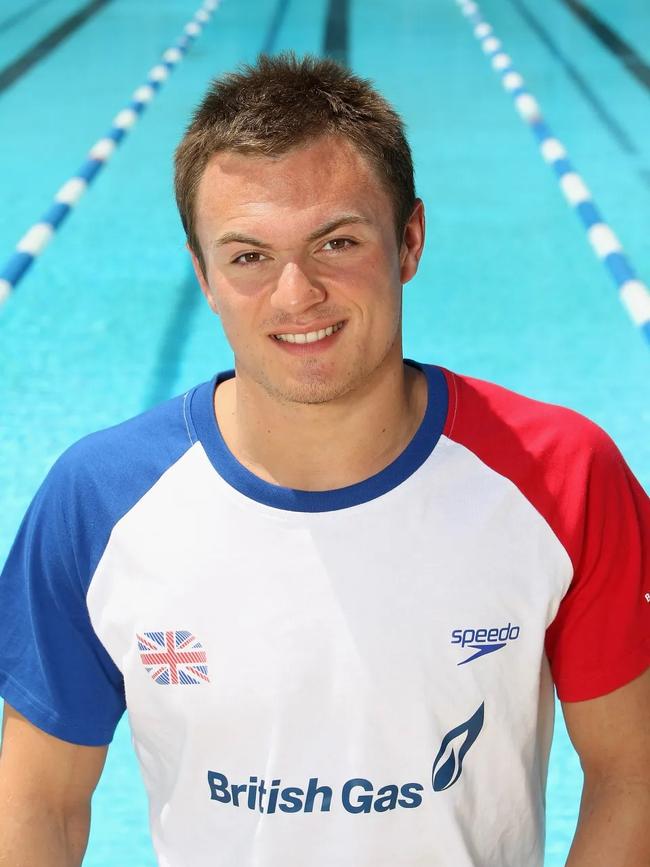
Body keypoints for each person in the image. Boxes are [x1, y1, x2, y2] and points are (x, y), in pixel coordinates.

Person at [0, 52, 648, 867]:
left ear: (409, 240)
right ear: (203, 274)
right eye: (248, 256)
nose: (295, 293)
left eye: (337, 241)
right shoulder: (97, 502)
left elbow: (634, 774)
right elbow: (39, 804)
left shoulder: (562, 477)